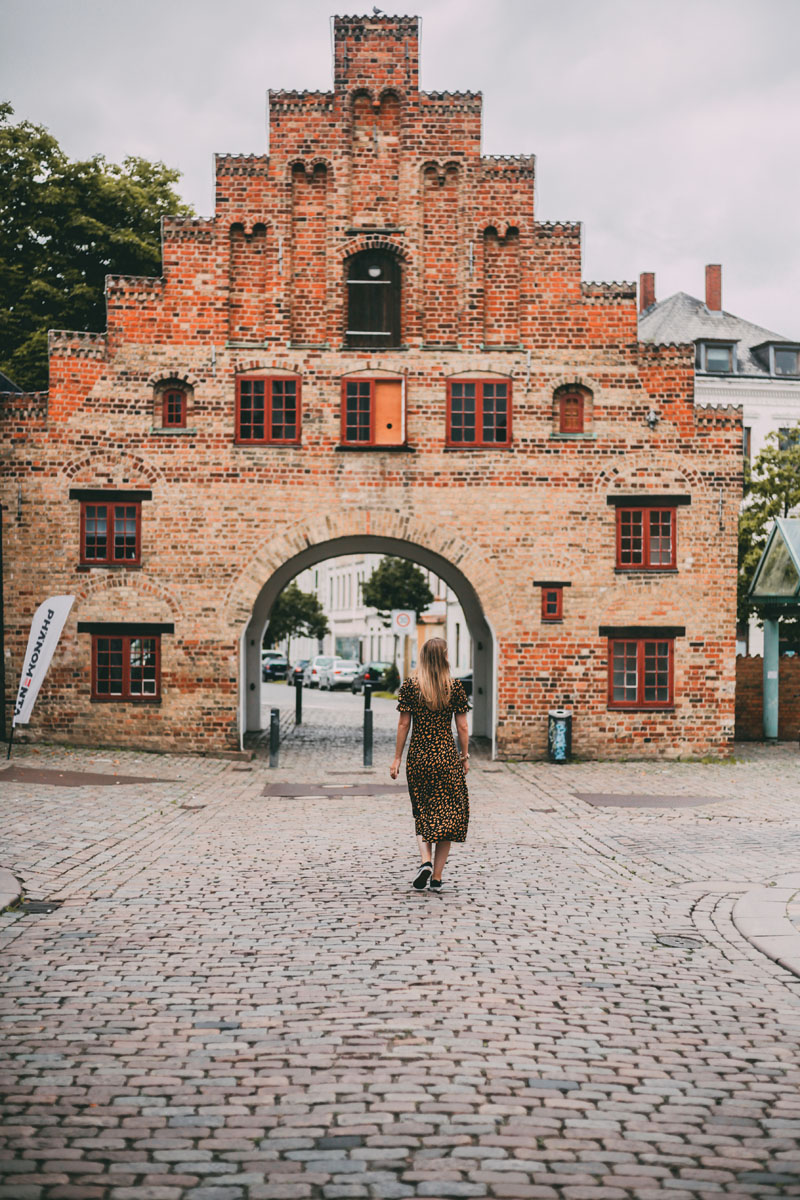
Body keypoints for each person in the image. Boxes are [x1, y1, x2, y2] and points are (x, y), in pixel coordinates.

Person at [390, 637, 470, 893]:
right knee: (447, 814)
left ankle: (424, 860)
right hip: (446, 757)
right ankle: (436, 876)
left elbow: (404, 725)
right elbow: (462, 727)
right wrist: (464, 756)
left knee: (422, 811)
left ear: (423, 657)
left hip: (420, 757)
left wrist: (397, 758)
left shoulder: (411, 687)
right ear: (445, 657)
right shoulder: (455, 687)